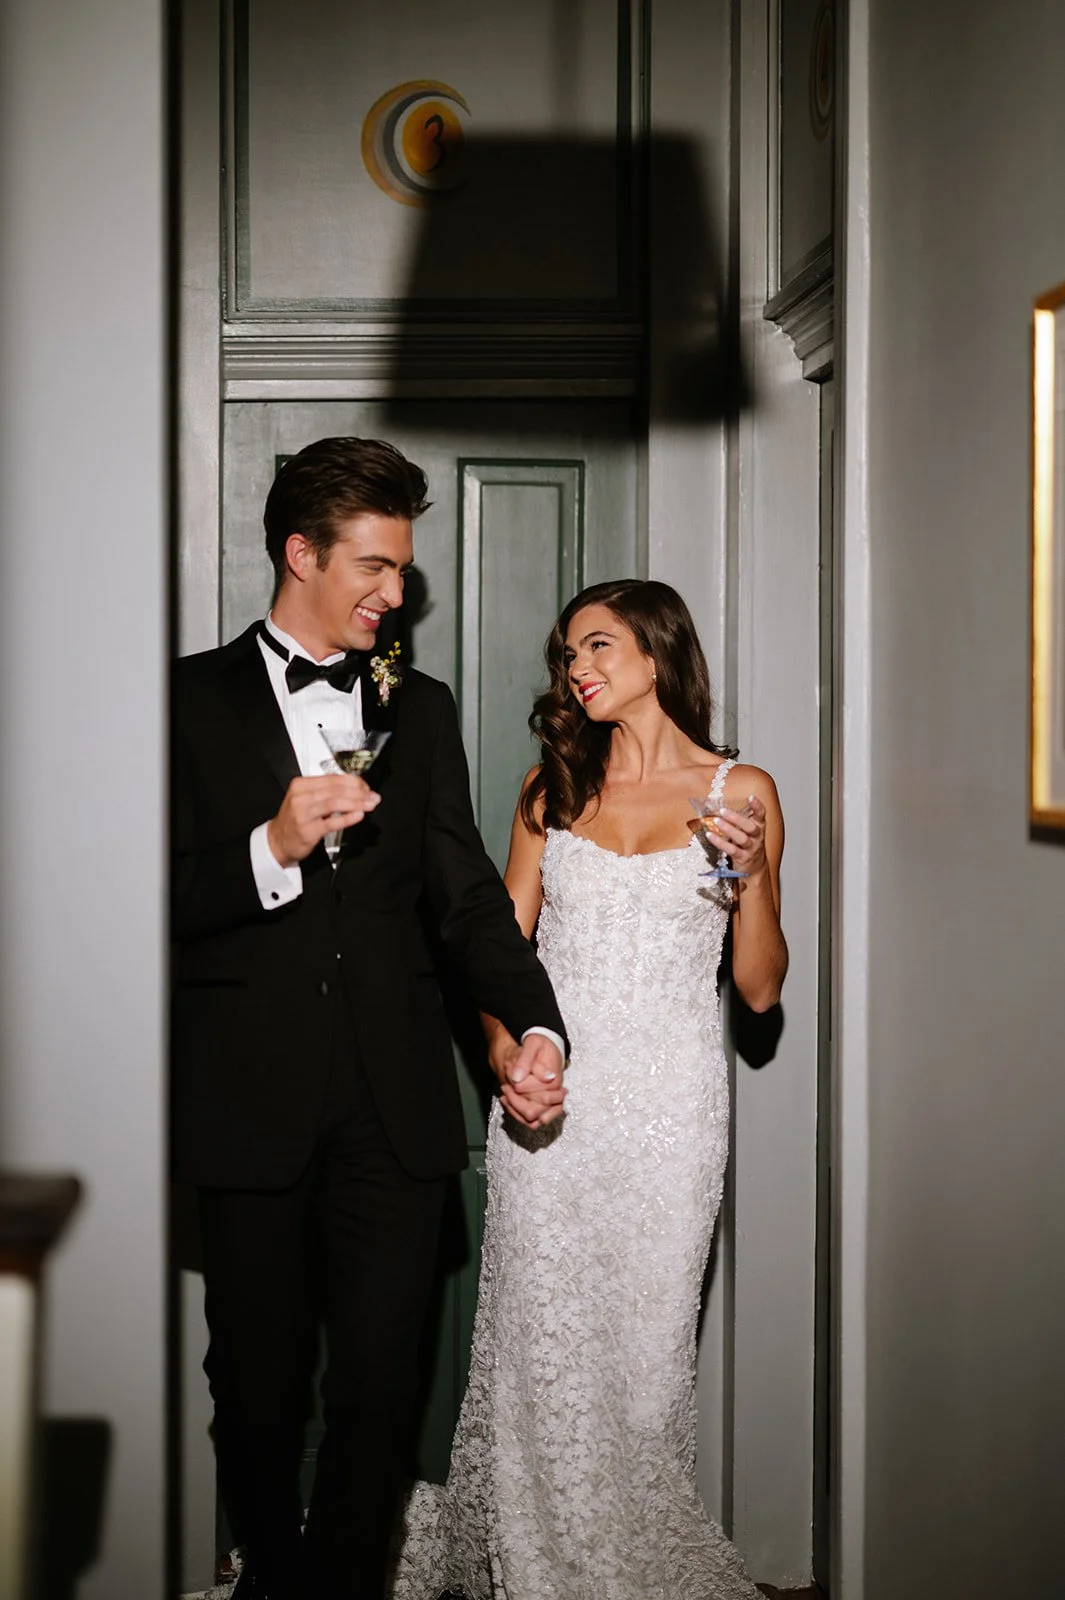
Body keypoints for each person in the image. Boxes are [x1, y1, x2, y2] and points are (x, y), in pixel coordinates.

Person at [171, 437, 568, 1600]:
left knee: (385, 1384)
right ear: (301, 555)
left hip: (395, 1112)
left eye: (404, 570)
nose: (397, 593)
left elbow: (466, 897)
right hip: (248, 1107)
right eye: (377, 566)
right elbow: (144, 899)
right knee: (253, 1379)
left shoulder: (419, 706)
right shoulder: (184, 702)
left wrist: (535, 1024)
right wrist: (273, 847)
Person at [394, 578, 787, 1600]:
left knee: (647, 1366)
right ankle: (530, 1566)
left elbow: (759, 984)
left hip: (672, 1113)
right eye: (569, 653)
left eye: (600, 646)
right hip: (552, 1111)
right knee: (543, 1353)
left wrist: (749, 880)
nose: (579, 669)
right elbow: (495, 956)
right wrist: (505, 1060)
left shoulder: (740, 793)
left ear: (658, 654)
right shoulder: (549, 791)